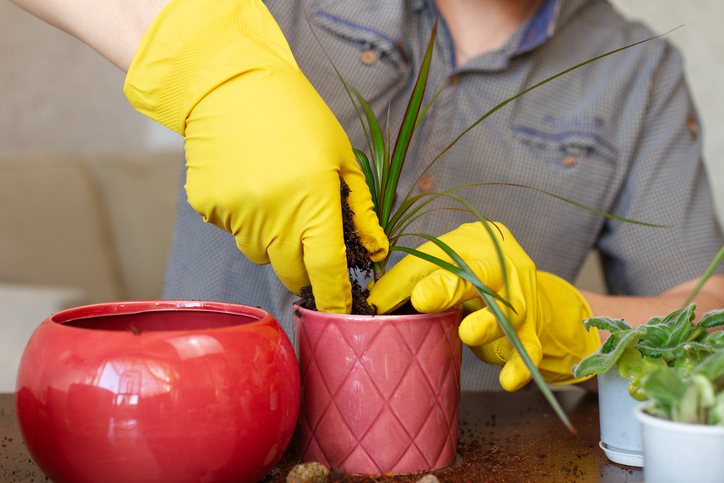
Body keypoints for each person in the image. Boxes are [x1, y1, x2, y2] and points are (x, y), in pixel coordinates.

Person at [9, 0, 724, 392]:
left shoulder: (639, 71)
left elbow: (709, 315)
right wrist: (209, 69)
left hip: (460, 458)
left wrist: (575, 319)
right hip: (203, 428)